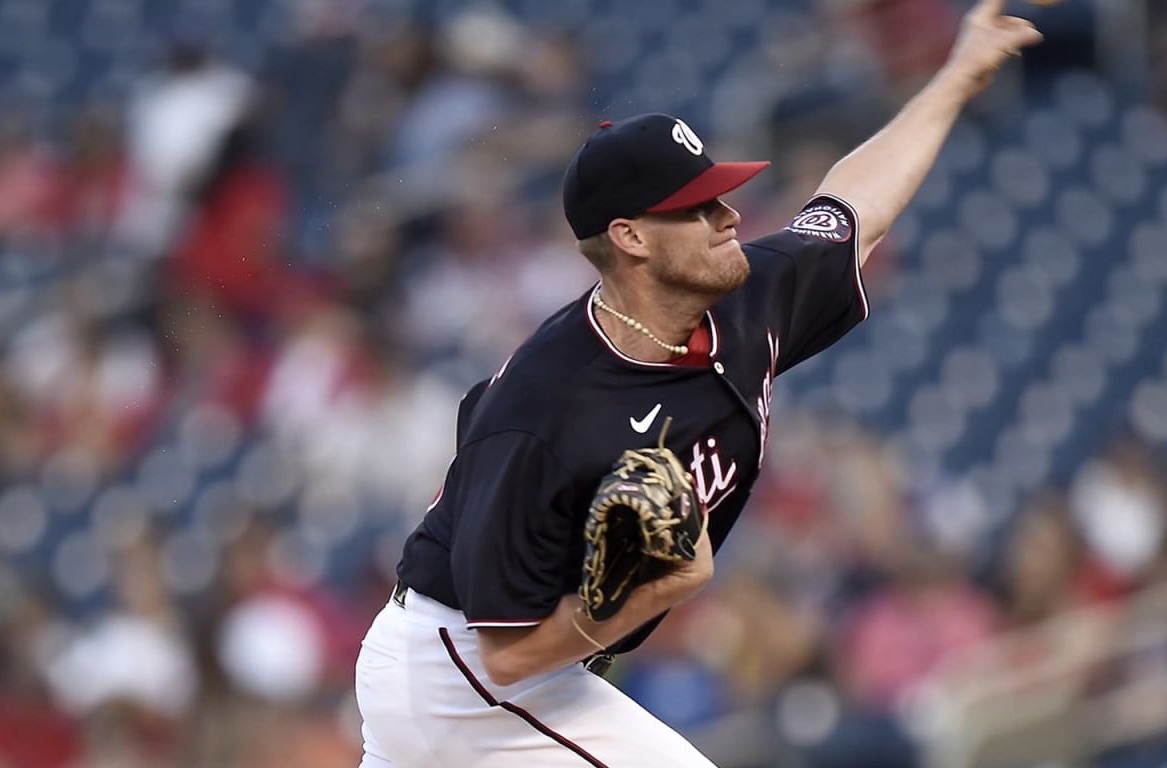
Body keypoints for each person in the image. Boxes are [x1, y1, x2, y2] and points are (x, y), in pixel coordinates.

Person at [355, 1, 1043, 765]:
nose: (728, 214)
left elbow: (856, 207)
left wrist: (956, 75)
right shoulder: (544, 412)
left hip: (516, 670)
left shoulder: (747, 298)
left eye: (721, 193)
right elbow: (508, 654)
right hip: (459, 673)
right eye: (698, 206)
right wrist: (650, 595)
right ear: (631, 238)